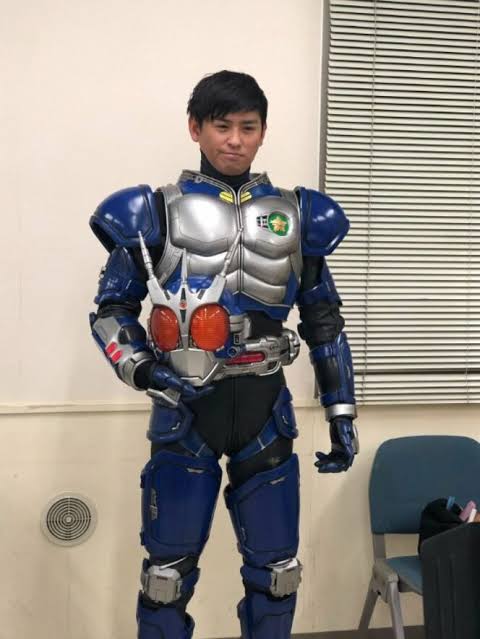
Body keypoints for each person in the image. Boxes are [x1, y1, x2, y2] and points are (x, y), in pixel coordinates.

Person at [89, 70, 358, 639]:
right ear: (195, 128)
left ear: (263, 132)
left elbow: (324, 320)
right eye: (221, 126)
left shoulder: (299, 215)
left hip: (265, 410)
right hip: (185, 410)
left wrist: (341, 411)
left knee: (278, 575)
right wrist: (144, 370)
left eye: (247, 127)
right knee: (165, 579)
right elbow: (112, 310)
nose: (234, 140)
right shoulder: (152, 212)